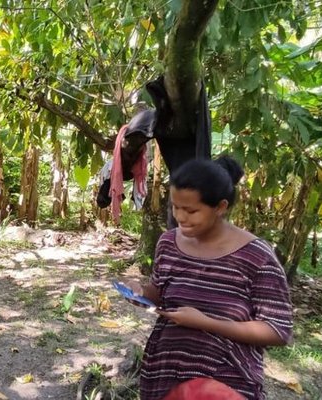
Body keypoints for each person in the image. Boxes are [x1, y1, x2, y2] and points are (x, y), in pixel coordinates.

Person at [125, 156, 293, 400]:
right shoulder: (168, 243)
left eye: (191, 210)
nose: (181, 217)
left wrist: (205, 322)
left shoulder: (257, 257)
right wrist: (141, 293)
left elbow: (278, 330)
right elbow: (161, 293)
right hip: (165, 371)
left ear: (220, 207)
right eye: (175, 207)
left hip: (225, 380)